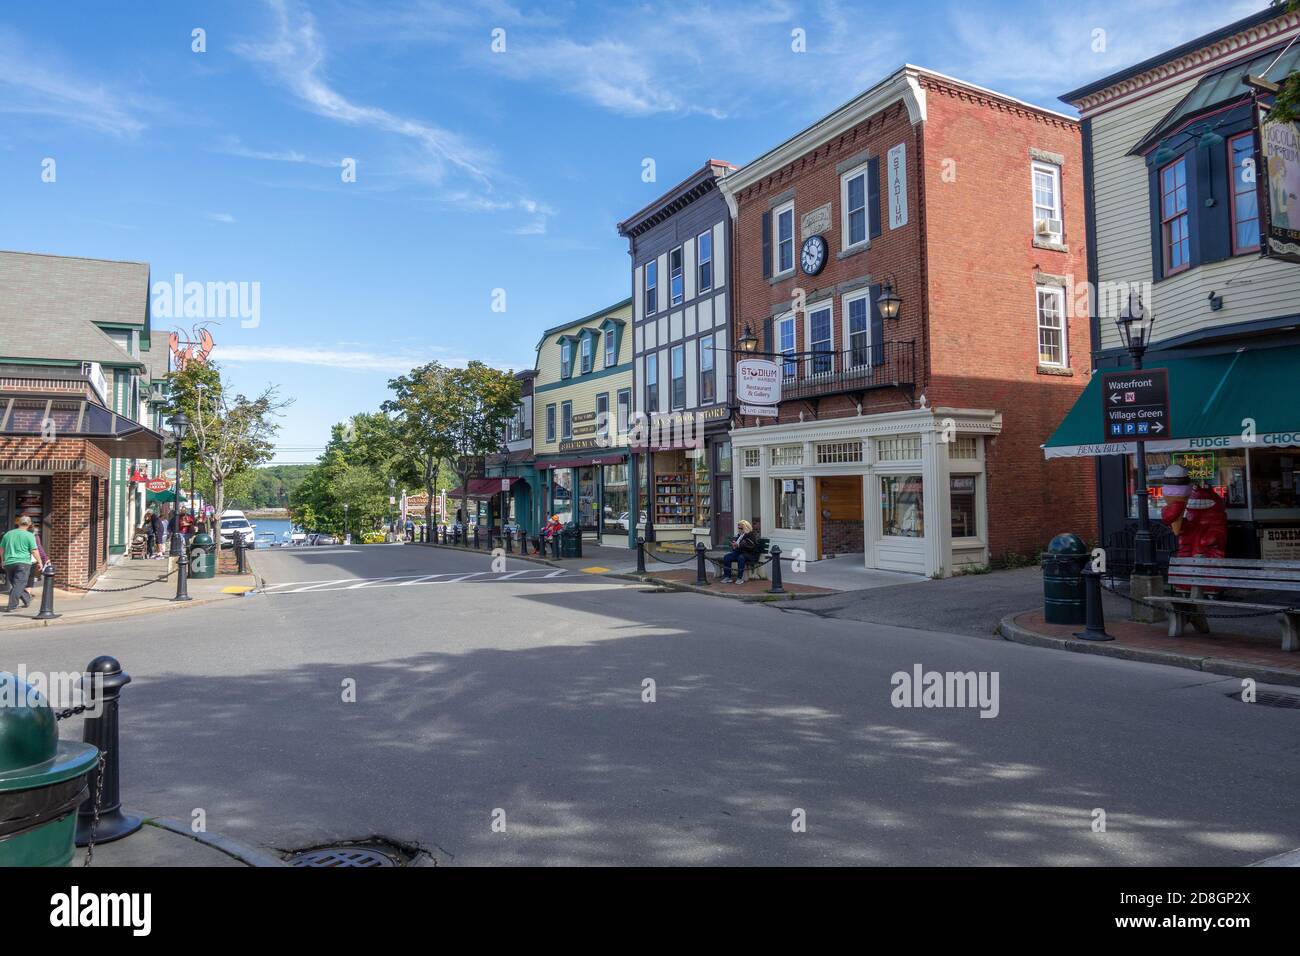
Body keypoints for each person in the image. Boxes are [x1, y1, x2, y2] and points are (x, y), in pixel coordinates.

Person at [2, 516, 41, 612]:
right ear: (29, 524)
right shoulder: (29, 535)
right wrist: (40, 562)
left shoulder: (8, 534)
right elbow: (34, 550)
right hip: (23, 563)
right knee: (19, 584)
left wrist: (3, 560)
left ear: (18, 523)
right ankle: (12, 606)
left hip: (9, 563)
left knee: (17, 584)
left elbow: (1, 549)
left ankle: (27, 599)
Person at [720, 520, 760, 585]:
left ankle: (739, 578)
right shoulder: (740, 535)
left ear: (746, 527)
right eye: (738, 528)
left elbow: (751, 546)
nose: (739, 529)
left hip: (750, 554)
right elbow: (738, 545)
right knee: (727, 557)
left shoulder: (751, 534)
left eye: (741, 528)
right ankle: (727, 577)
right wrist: (734, 546)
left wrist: (738, 545)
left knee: (740, 558)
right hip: (741, 552)